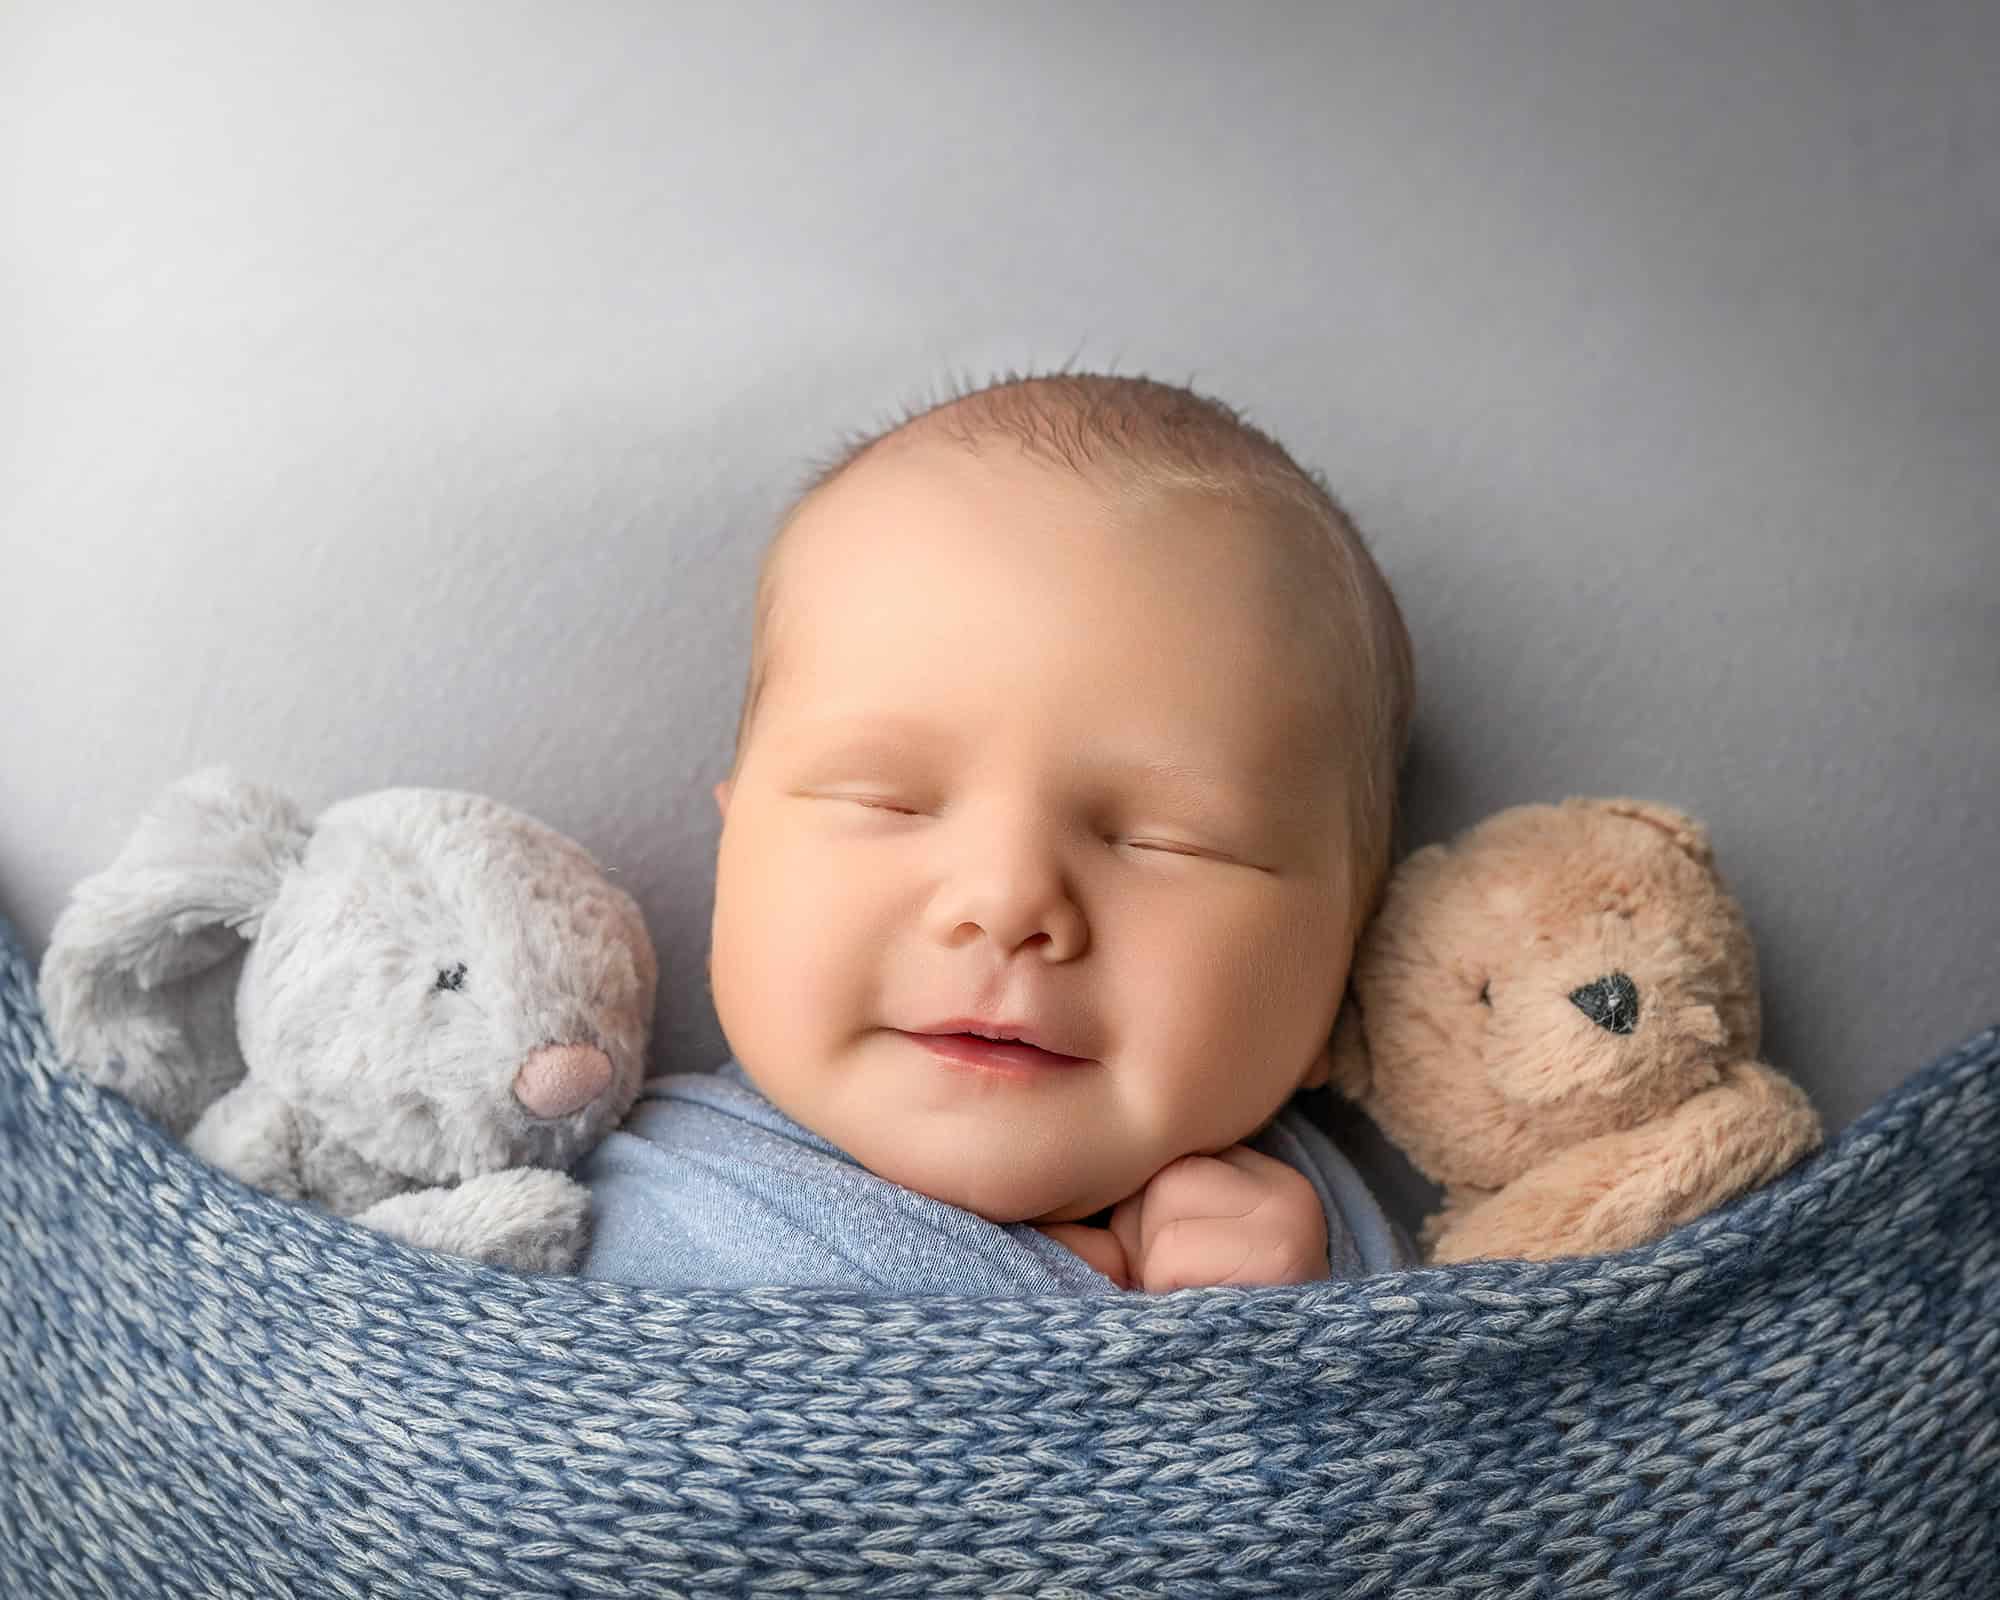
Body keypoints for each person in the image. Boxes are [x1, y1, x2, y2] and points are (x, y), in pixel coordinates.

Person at [577, 370, 1418, 1293]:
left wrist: (1286, 1355)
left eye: (1167, 841)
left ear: (1345, 972)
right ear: (735, 856)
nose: (1009, 896)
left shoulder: (1352, 1286)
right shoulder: (600, 1217)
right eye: (888, 800)